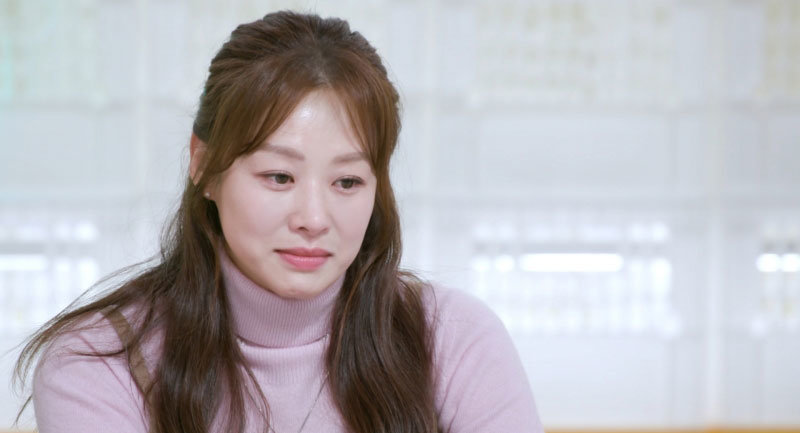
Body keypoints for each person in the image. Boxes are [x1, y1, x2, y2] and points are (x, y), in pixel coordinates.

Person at [14, 10, 544, 433]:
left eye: (347, 182)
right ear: (204, 165)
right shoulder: (98, 364)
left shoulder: (453, 340)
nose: (314, 219)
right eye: (278, 177)